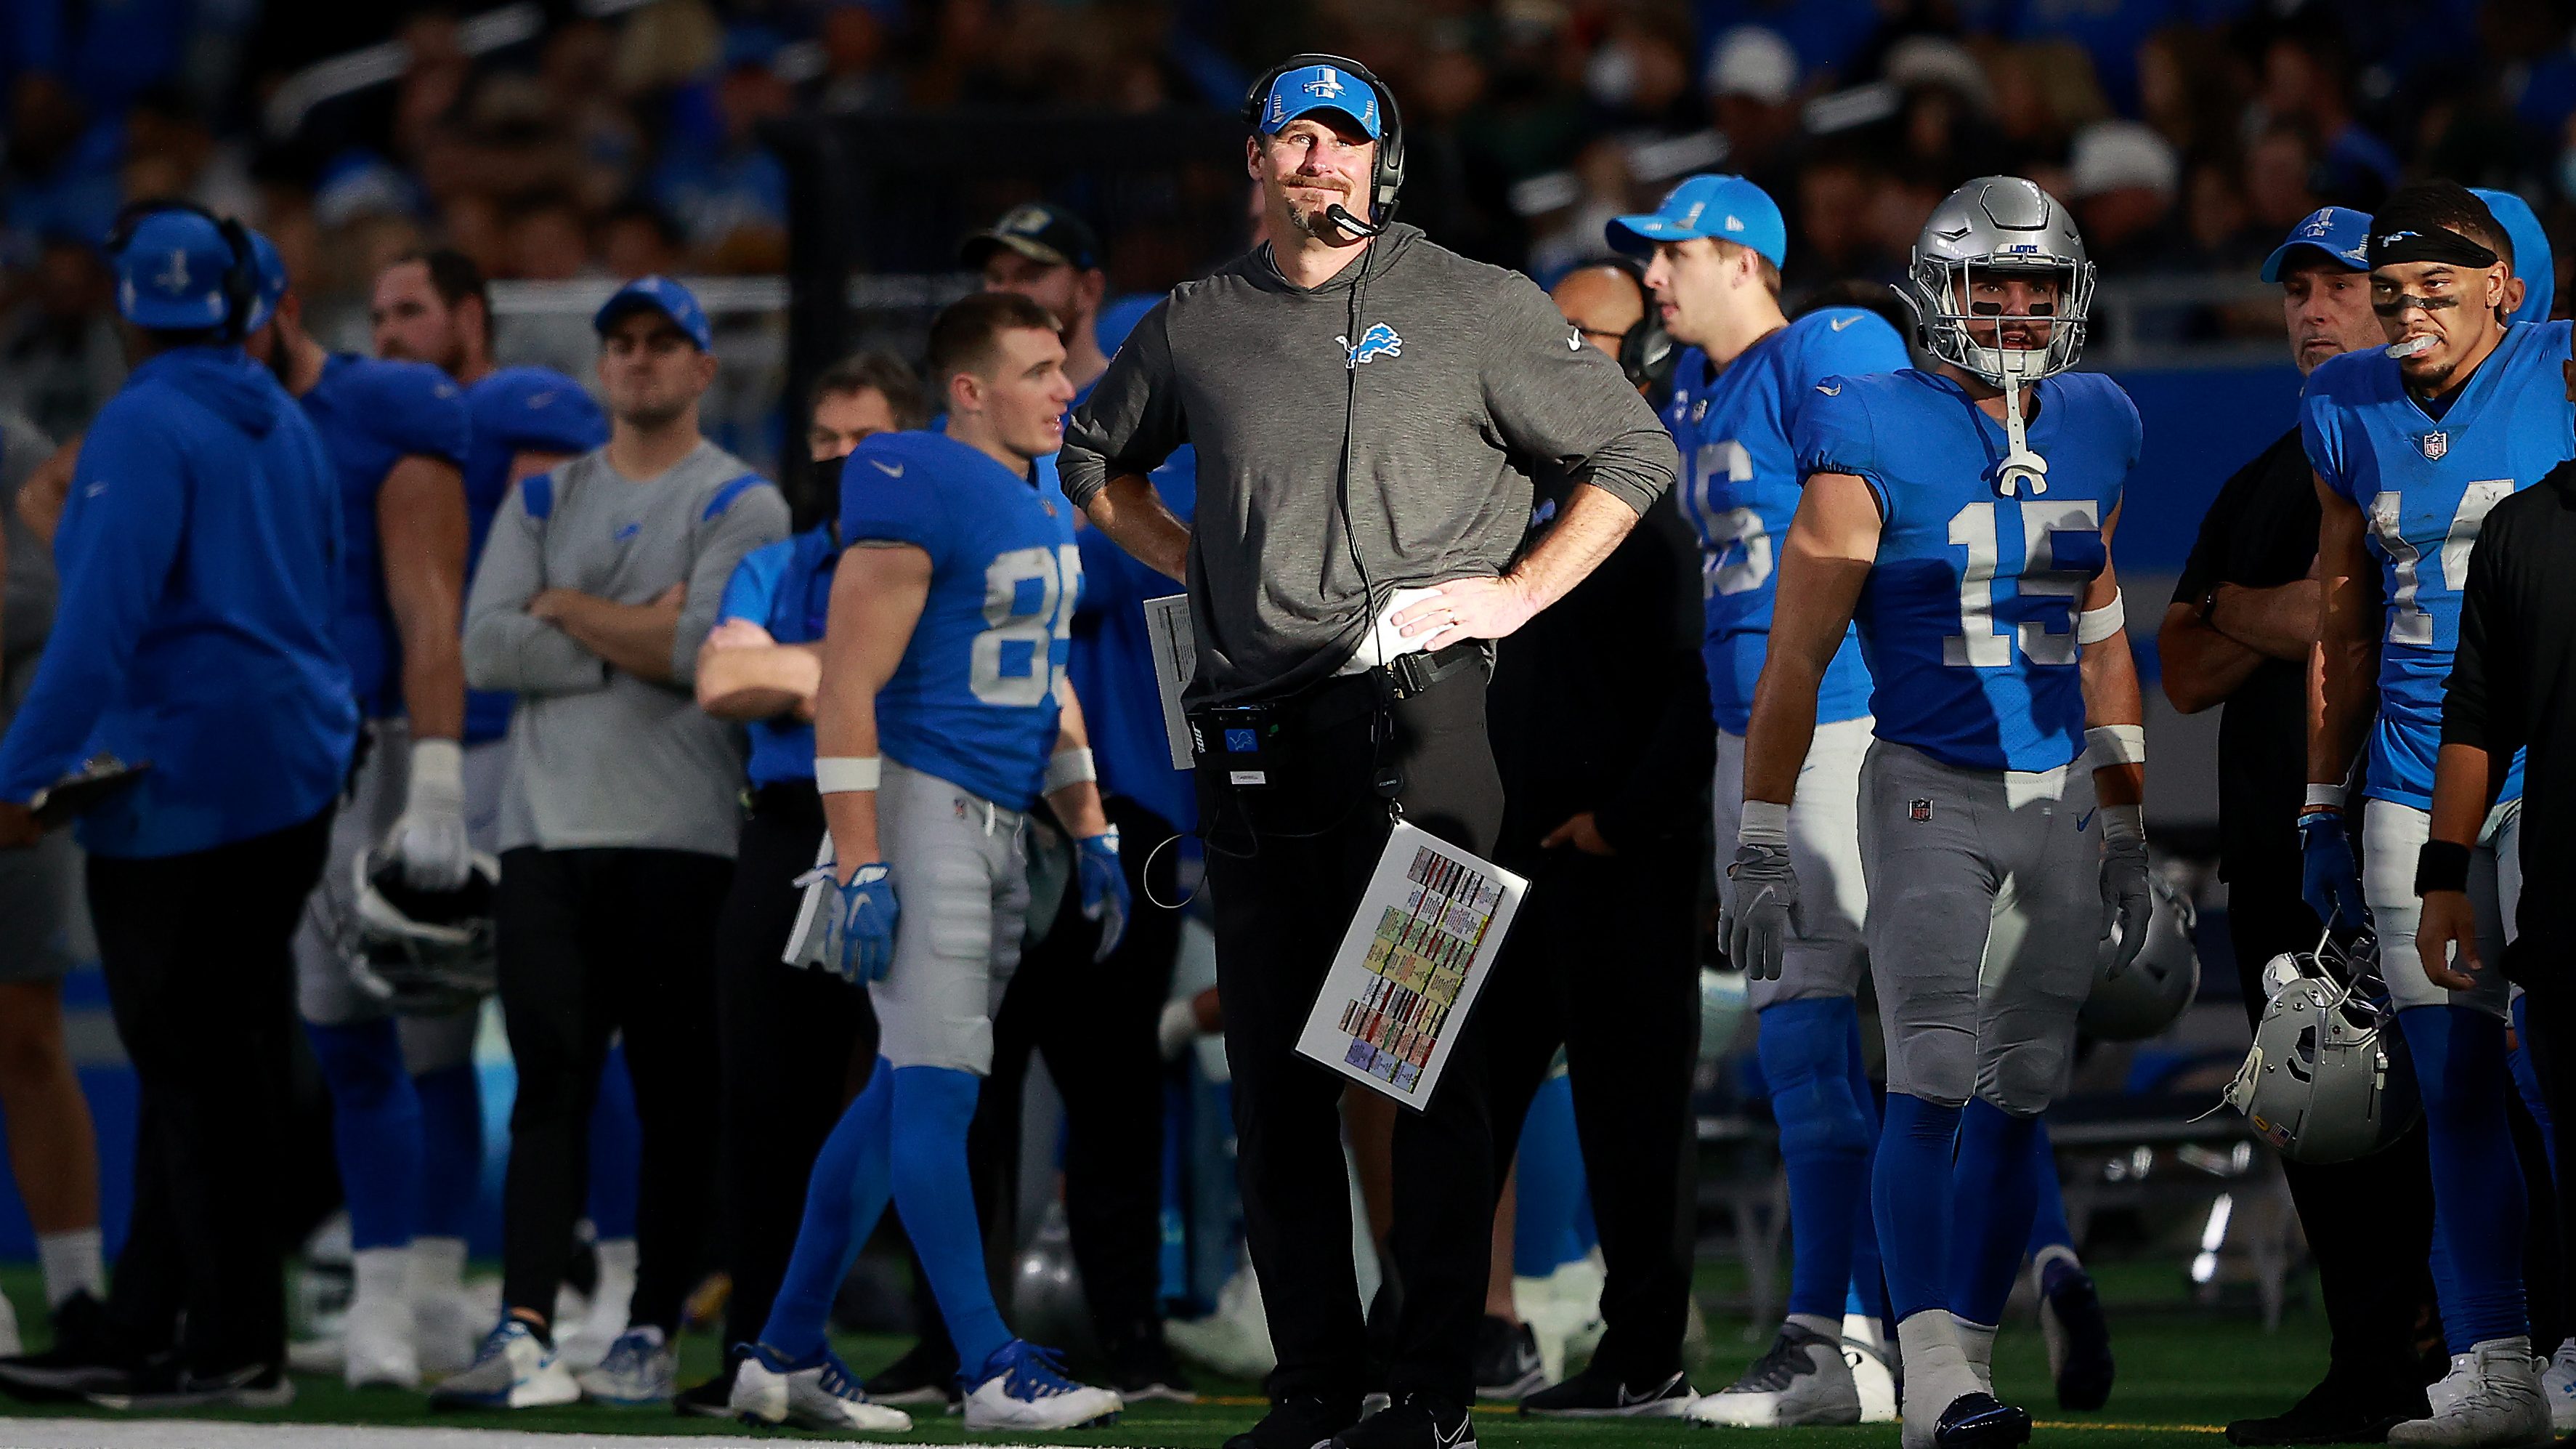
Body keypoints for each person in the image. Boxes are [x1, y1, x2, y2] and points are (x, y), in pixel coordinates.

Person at [1058, 55, 1677, 1449]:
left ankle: (1433, 1390)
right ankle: (1313, 1389)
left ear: (1381, 161)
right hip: (1257, 741)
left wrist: (1517, 592)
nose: (1319, 161)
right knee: (1277, 1082)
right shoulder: (1198, 319)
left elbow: (1633, 455)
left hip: (1428, 725)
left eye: (1345, 140)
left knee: (1418, 1063)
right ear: (1258, 161)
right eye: (1296, 139)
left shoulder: (1477, 301)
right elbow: (1091, 456)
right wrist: (1191, 570)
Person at [1734, 175, 2152, 1449]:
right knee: (1926, 1072)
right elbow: (1798, 659)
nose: (2017, 312)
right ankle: (1925, 1373)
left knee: (2021, 1090)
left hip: (2055, 797)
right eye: (1990, 287)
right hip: (1927, 784)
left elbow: (2099, 629)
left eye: (2038, 288)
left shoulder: (2099, 421)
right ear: (1937, 292)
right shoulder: (1866, 422)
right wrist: (1759, 831)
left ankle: (1961, 1368)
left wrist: (2127, 814)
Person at [730, 291, 1126, 1433]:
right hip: (923, 810)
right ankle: (989, 1363)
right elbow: (846, 684)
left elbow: (1038, 675)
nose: (1064, 387)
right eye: (1038, 368)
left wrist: (1087, 819)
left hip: (999, 816)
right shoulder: (910, 474)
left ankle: (787, 1351)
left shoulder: (1038, 498)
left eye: (1062, 366)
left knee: (905, 1083)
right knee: (941, 1087)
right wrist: (858, 862)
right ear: (969, 389)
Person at [0, 205, 354, 1407]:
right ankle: (147, 1320)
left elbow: (95, 625)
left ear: (123, 310)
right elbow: (325, 580)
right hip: (294, 765)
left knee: (193, 1063)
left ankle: (232, 1344)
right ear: (243, 301)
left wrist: (16, 777)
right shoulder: (285, 420)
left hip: (185, 782)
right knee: (222, 1051)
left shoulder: (142, 421)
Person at [433, 275, 788, 1410]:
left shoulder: (743, 501)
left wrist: (566, 609)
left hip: (679, 832)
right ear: (603, 368)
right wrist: (632, 629)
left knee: (676, 1091)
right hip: (545, 834)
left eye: (660, 343)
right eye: (620, 343)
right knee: (550, 1085)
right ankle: (527, 1326)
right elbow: (482, 645)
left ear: (700, 368)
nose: (637, 360)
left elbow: (704, 656)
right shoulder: (543, 499)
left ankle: (648, 1327)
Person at [1606, 172, 1909, 1427]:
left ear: (1743, 256)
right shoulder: (1695, 386)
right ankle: (1856, 1330)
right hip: (1751, 727)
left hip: (1836, 714)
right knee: (1803, 1028)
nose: (1652, 278)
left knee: (1819, 1024)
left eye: (1671, 253)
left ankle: (1836, 1335)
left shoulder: (1826, 348)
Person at [2299, 181, 2575, 1447]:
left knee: (2557, 1083)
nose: (2406, 312)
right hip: (2418, 771)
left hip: (2550, 768)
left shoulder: (2556, 369)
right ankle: (2494, 1361)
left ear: (2507, 289)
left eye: (2435, 289)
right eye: (2390, 290)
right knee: (2455, 1083)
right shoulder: (2342, 406)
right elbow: (2343, 615)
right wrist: (2320, 793)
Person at [2160, 205, 2442, 1444]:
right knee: (2312, 1117)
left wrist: (2247, 607)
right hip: (2277, 847)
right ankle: (2368, 1365)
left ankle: (2481, 1350)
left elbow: (2371, 632)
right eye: (2299, 291)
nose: (2317, 310)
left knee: (2456, 1109)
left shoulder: (2420, 447)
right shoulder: (2262, 474)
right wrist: (2292, 614)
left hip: (2409, 831)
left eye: (2340, 287)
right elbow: (2180, 666)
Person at [1469, 244, 1712, 1418]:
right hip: (1488, 857)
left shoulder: (1662, 505)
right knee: (1440, 1089)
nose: (1548, 358)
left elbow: (1695, 684)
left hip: (1612, 863)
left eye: (1582, 338)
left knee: (1633, 1115)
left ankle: (1644, 1353)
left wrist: (1620, 822)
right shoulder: (1495, 488)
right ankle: (1434, 1327)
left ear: (1647, 362)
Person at [367, 246, 615, 1371]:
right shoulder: (389, 432)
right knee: (425, 1021)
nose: (389, 334)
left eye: (411, 311)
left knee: (559, 1021)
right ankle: (425, 1280)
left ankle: (601, 1262)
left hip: (517, 742)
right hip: (428, 743)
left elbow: (557, 562)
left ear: (470, 317)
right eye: (377, 314)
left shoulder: (518, 406)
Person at [672, 350, 925, 1418]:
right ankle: (755, 1354)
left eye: (859, 438)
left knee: (930, 1089)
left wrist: (800, 666)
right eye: (822, 441)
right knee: (764, 1101)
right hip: (783, 835)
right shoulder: (779, 559)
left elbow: (907, 677)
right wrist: (860, 663)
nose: (836, 459)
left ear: (906, 445)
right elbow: (722, 679)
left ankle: (954, 1346)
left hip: (915, 828)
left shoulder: (936, 558)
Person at [251, 238, 478, 1394]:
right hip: (249, 760)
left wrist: (434, 775)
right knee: (310, 1037)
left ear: (281, 311)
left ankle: (401, 1292)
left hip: (370, 748)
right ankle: (353, 1289)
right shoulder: (197, 410)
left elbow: (426, 603)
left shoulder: (382, 407)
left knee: (401, 1031)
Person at [0, 407, 105, 1359]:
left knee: (28, 1033)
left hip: (8, 774)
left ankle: (76, 1286)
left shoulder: (15, 450)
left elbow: (59, 601)